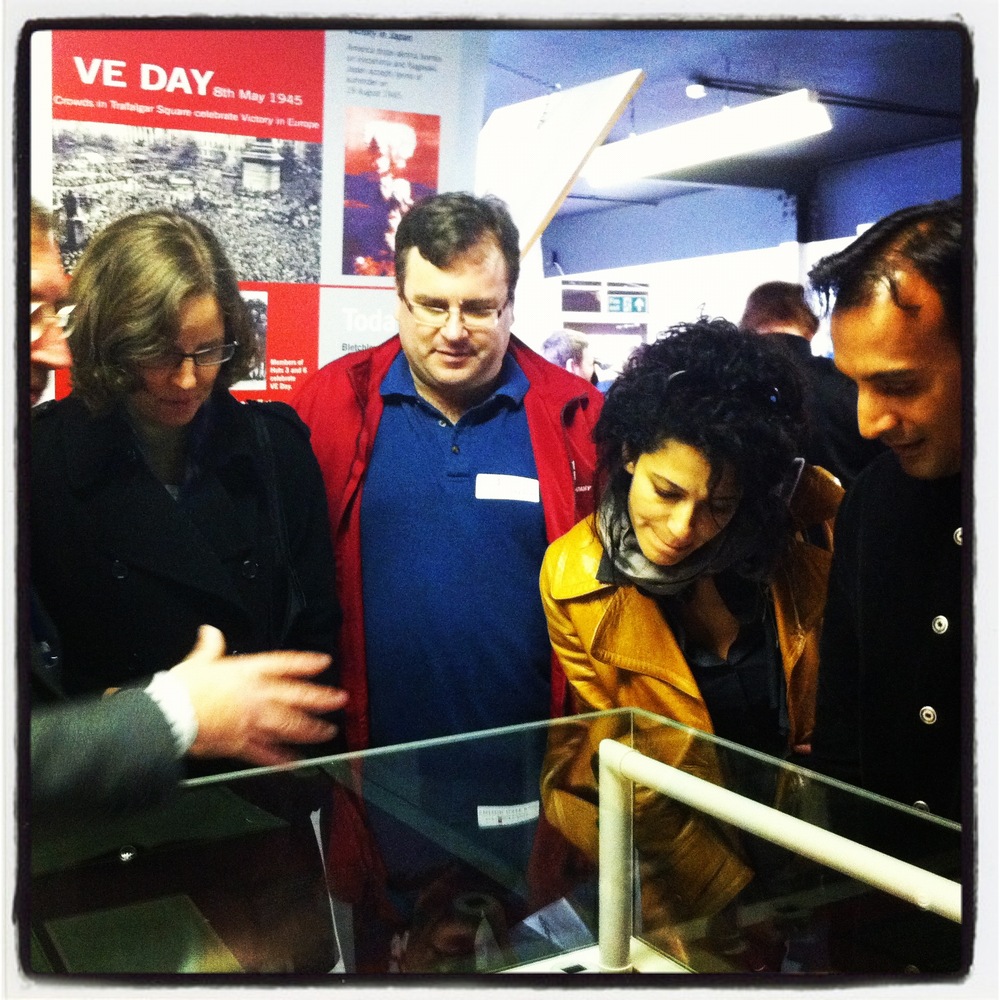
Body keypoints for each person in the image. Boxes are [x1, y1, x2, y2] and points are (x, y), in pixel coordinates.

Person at [292, 191, 603, 969]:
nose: (454, 330)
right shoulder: (331, 407)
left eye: (479, 307)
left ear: (510, 303)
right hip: (379, 779)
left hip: (530, 777)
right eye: (431, 305)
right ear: (397, 296)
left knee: (529, 964)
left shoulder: (578, 421)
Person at [24, 200, 348, 821]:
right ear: (110, 341)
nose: (187, 379)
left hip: (257, 795)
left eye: (209, 350)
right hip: (108, 796)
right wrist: (151, 710)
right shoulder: (42, 459)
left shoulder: (273, 448)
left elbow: (314, 635)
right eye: (160, 353)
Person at [539, 318, 843, 966]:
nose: (683, 527)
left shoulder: (809, 538)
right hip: (683, 874)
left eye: (719, 505)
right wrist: (719, 903)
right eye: (666, 491)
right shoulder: (572, 582)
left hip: (816, 864)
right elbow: (633, 768)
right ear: (628, 454)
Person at [808, 198, 965, 825]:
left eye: (897, 385)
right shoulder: (870, 504)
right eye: (854, 384)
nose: (867, 423)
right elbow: (845, 731)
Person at [739, 280, 884, 488]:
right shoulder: (850, 384)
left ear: (747, 325)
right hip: (858, 516)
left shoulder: (727, 388)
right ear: (810, 327)